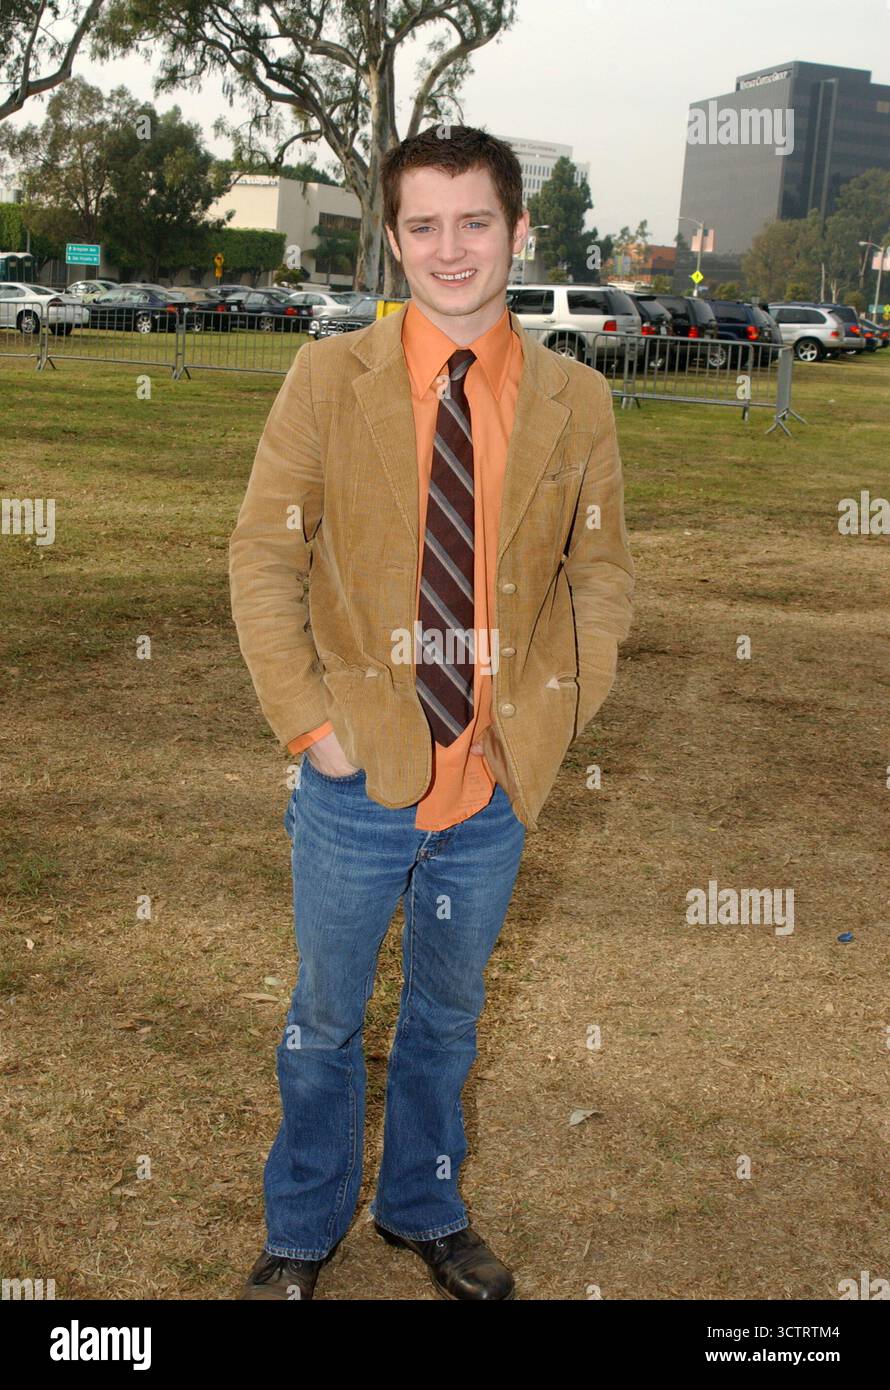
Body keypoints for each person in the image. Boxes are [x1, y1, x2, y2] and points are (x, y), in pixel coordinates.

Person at [229, 124, 634, 1300]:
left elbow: (598, 577)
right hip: (356, 779)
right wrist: (313, 728)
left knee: (446, 1025)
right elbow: (263, 554)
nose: (449, 249)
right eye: (423, 225)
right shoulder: (326, 376)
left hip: (493, 782)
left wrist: (548, 717)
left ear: (516, 231)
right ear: (393, 240)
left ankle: (423, 1206)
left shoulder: (578, 400)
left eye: (473, 222)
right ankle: (301, 1232)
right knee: (321, 1023)